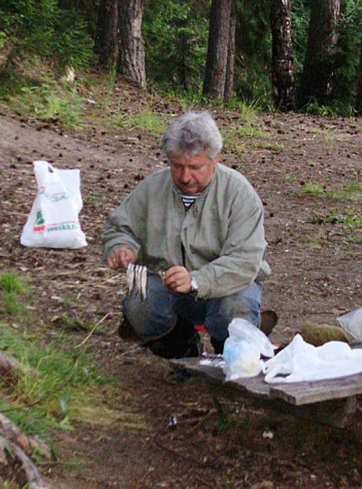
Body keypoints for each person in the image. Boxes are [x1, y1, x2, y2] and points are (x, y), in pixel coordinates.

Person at [103, 111, 271, 358]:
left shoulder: (239, 194)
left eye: (195, 167)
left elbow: (244, 260)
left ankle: (233, 355)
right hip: (166, 284)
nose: (185, 176)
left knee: (235, 308)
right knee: (139, 306)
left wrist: (196, 280)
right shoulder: (152, 188)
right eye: (177, 165)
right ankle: (181, 352)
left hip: (227, 286)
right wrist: (121, 246)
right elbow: (121, 227)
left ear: (216, 160)